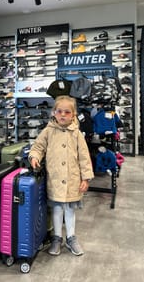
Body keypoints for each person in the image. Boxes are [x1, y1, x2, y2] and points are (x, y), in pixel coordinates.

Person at [29, 95, 94, 256]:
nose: (63, 115)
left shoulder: (77, 134)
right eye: (59, 111)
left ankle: (71, 238)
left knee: (70, 210)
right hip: (56, 180)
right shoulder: (48, 131)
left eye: (67, 112)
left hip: (73, 180)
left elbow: (84, 157)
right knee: (57, 209)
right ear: (54, 112)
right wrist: (34, 157)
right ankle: (57, 238)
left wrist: (86, 178)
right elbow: (38, 146)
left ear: (73, 115)